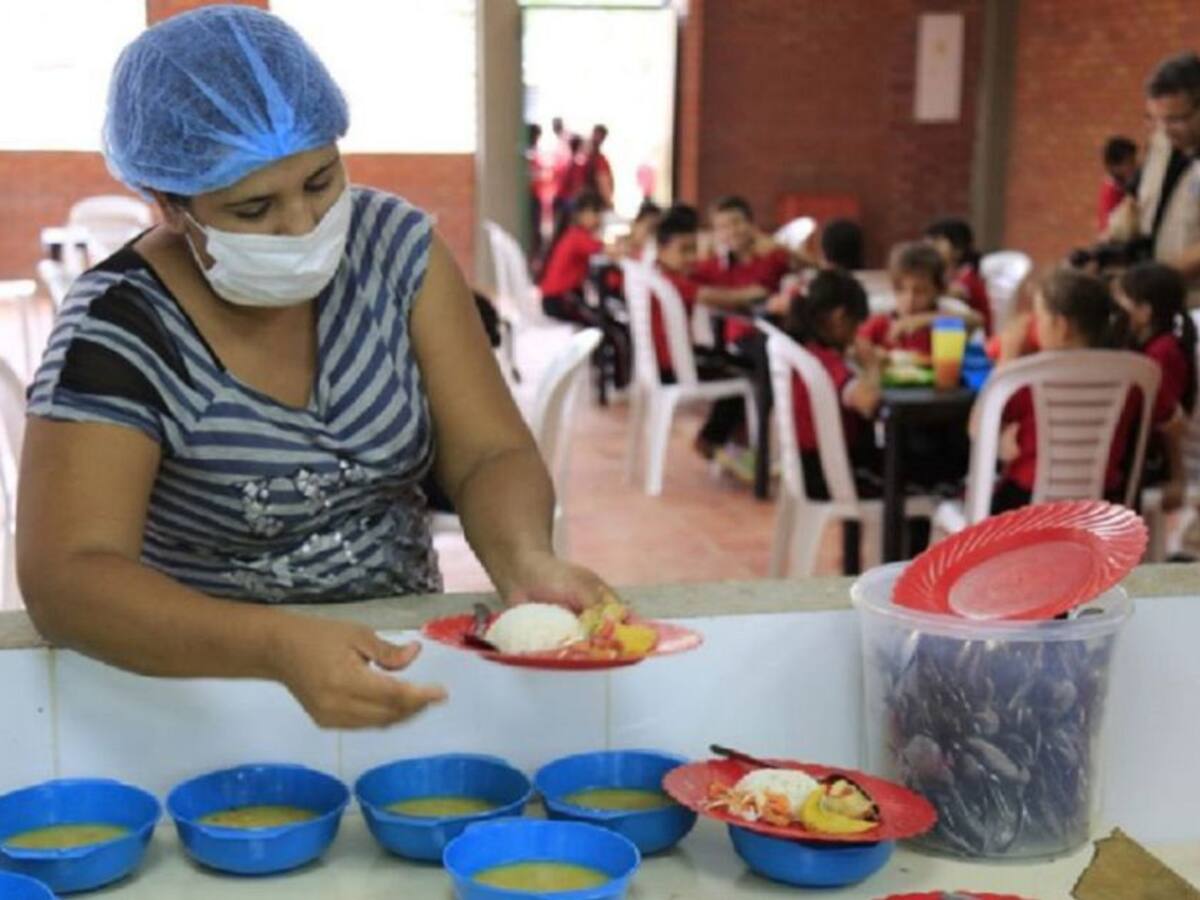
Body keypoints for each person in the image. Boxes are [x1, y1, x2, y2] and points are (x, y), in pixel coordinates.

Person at [18, 7, 613, 732]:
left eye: (321, 182)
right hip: (203, 691)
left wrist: (524, 557)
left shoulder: (396, 252)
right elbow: (67, 579)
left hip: (395, 662)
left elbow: (489, 450)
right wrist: (273, 646)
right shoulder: (119, 329)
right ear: (171, 202)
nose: (301, 226)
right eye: (253, 207)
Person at [988, 269, 1135, 513]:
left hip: (1027, 504)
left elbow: (979, 428)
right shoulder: (1133, 375)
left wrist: (1007, 357)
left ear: (1062, 326)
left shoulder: (1032, 378)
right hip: (1105, 506)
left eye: (1039, 317)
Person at [651, 205, 781, 457]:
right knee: (752, 371)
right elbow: (714, 297)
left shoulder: (656, 272)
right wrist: (754, 292)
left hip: (665, 362)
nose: (691, 258)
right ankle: (718, 441)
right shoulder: (672, 282)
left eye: (693, 249)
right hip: (675, 366)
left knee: (739, 364)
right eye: (683, 251)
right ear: (662, 250)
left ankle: (726, 441)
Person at [782, 269, 882, 501]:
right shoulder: (824, 360)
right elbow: (867, 402)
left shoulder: (801, 347)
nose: (855, 335)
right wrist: (872, 367)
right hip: (832, 473)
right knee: (913, 475)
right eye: (855, 326)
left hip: (805, 465)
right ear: (839, 318)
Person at [1113, 262, 1198, 511]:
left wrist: (1177, 478)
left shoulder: (1161, 354)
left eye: (1121, 302)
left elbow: (1171, 422)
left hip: (1153, 462)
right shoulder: (1150, 345)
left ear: (1143, 312)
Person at [539, 191, 631, 388]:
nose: (598, 219)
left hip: (561, 298)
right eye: (595, 213)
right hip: (560, 300)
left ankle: (605, 377)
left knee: (607, 324)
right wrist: (630, 242)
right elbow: (610, 252)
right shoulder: (577, 236)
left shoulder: (574, 235)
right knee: (606, 329)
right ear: (581, 215)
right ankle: (613, 384)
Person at [1134, 52, 1200, 305]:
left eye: (1176, 119)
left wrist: (1152, 278)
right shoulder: (1162, 142)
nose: (1166, 130)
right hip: (1159, 303)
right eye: (1157, 119)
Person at [693, 196, 793, 346]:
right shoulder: (709, 266)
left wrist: (780, 246)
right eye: (722, 227)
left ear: (751, 224)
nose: (731, 231)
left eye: (736, 223)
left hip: (774, 336)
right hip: (733, 345)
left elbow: (814, 267)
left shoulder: (772, 256)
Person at [858, 242, 982, 356]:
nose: (909, 299)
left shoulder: (943, 326)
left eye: (920, 291)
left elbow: (976, 320)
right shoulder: (882, 324)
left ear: (938, 290)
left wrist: (923, 320)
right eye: (900, 290)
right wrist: (873, 353)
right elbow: (854, 346)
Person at [924, 218, 993, 334]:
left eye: (937, 241)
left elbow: (953, 292)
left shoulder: (968, 277)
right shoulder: (947, 276)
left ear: (958, 249)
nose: (930, 246)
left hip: (976, 340)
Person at [1099, 136, 1139, 236]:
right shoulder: (1111, 193)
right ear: (1114, 167)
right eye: (1130, 163)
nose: (1135, 166)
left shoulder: (1124, 185)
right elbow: (1109, 229)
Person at [585, 124, 614, 208]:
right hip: (592, 206)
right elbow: (603, 183)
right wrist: (609, 203)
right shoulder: (598, 160)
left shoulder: (588, 158)